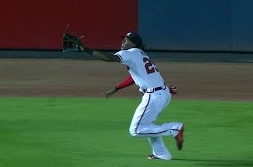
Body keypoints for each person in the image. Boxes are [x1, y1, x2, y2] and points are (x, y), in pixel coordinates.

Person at [79, 31, 184, 160]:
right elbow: (135, 77)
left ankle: (174, 128)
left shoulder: (130, 53)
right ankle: (161, 153)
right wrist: (116, 88)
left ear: (133, 43)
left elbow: (108, 58)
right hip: (162, 93)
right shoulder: (140, 54)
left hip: (154, 96)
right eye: (123, 39)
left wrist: (84, 49)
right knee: (148, 124)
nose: (123, 41)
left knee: (136, 130)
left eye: (126, 39)